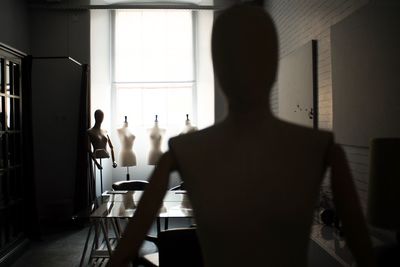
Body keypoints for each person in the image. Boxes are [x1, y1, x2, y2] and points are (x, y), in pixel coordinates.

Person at [108, 4, 375, 267]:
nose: (243, 66)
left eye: (254, 53)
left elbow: (363, 250)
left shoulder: (321, 148)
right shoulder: (182, 151)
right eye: (232, 56)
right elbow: (126, 249)